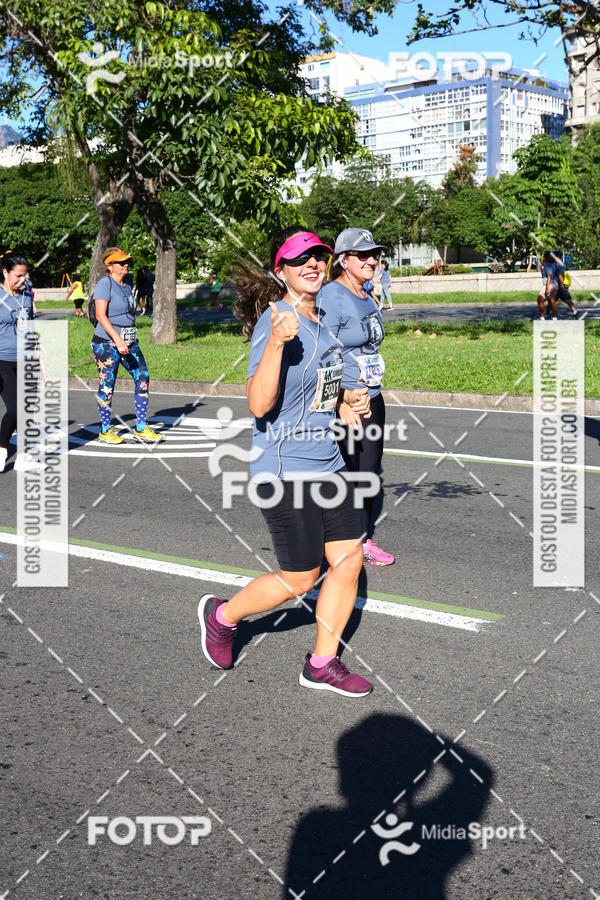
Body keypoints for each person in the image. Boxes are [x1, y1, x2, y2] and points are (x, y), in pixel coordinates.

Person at [198, 226, 374, 697]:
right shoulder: (275, 319)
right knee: (300, 577)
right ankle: (222, 616)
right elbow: (258, 404)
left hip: (329, 463)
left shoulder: (322, 325)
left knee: (349, 560)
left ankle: (321, 663)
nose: (312, 265)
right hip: (285, 467)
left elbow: (320, 394)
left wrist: (345, 405)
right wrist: (276, 342)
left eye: (318, 256)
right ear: (283, 272)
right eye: (301, 261)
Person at [320, 227, 394, 567]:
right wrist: (339, 400)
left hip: (372, 398)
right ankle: (343, 542)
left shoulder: (366, 294)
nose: (372, 260)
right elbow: (320, 356)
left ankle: (358, 539)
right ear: (342, 260)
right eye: (362, 255)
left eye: (374, 254)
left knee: (367, 471)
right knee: (347, 474)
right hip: (345, 403)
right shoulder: (330, 297)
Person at [90, 247, 163, 445]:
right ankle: (105, 430)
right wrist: (117, 339)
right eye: (121, 263)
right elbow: (100, 316)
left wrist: (127, 336)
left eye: (126, 262)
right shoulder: (105, 284)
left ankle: (140, 428)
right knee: (107, 385)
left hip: (129, 341)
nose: (125, 265)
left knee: (142, 376)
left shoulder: (126, 284)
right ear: (109, 266)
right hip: (106, 342)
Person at [0, 250, 34, 472]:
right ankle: (2, 448)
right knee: (14, 408)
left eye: (25, 275)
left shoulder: (26, 298)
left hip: (25, 359)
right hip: (2, 360)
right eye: (18, 276)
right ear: (5, 272)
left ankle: (23, 456)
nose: (23, 280)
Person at [537, 251, 558, 320]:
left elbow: (549, 276)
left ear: (546, 258)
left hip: (549, 284)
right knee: (551, 301)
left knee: (540, 300)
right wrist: (541, 268)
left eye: (544, 257)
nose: (543, 258)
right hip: (554, 284)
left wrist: (547, 288)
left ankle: (542, 317)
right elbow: (545, 274)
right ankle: (554, 317)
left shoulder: (548, 265)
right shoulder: (551, 264)